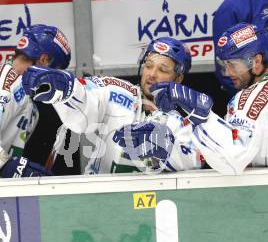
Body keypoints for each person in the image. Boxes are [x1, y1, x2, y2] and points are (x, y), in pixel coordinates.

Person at [21, 37, 203, 174]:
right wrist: (66, 88)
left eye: (162, 69)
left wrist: (164, 146)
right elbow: (86, 97)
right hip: (100, 207)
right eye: (148, 65)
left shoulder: (186, 119)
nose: (152, 74)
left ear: (178, 78)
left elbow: (195, 159)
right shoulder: (117, 91)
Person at [150, 23, 268, 175]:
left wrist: (202, 114)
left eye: (232, 64)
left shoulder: (246, 101)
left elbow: (234, 157)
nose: (227, 73)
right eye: (224, 65)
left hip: (265, 189)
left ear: (256, 62)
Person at [0, 24, 71, 178]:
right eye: (56, 71)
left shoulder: (32, 106)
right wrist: (8, 168)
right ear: (44, 60)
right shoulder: (6, 84)